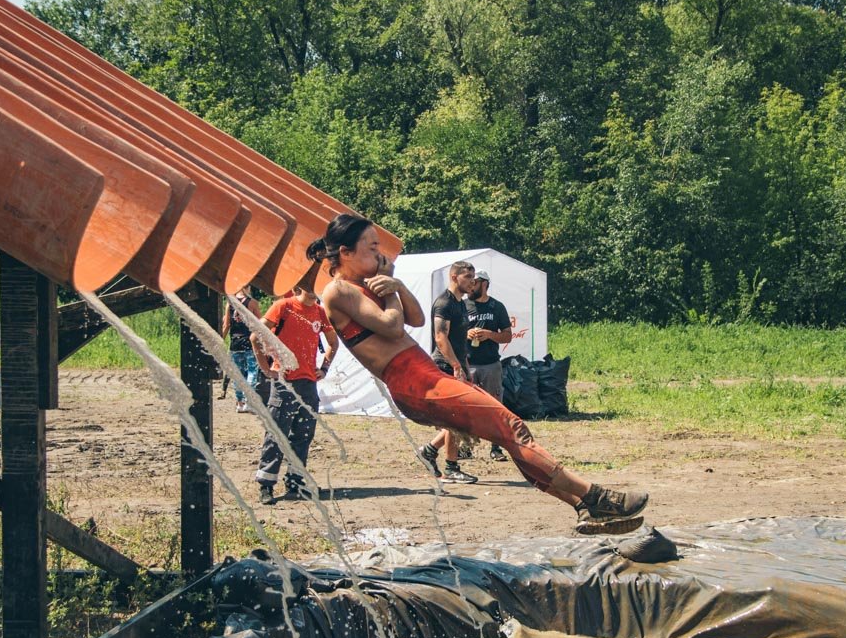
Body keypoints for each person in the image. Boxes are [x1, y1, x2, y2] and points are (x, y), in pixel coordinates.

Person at [306, 214, 649, 535]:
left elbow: (417, 320)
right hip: (415, 382)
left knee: (508, 435)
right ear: (346, 253)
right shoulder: (339, 291)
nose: (380, 254)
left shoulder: (368, 284)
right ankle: (598, 498)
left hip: (422, 378)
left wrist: (397, 285)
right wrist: (393, 290)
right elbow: (394, 327)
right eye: (372, 247)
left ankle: (583, 507)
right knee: (513, 429)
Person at [252, 287, 338, 505]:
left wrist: (324, 368)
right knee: (277, 433)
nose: (314, 291)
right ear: (300, 287)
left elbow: (333, 342)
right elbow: (256, 336)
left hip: (308, 383)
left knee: (303, 434)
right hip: (285, 383)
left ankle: (295, 481)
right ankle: (266, 484)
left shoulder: (319, 311)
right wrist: (266, 368)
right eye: (309, 287)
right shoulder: (284, 306)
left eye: (316, 287)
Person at [416, 260, 479, 483]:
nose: (473, 282)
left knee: (461, 419)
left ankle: (429, 451)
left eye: (473, 277)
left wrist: (463, 365)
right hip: (445, 365)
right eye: (468, 277)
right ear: (454, 277)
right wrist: (455, 366)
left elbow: (457, 338)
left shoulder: (461, 303)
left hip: (459, 364)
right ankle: (451, 469)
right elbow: (440, 337)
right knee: (455, 419)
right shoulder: (444, 303)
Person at [465, 269, 512, 463]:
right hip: (468, 364)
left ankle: (496, 447)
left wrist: (490, 334)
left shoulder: (497, 307)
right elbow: (450, 333)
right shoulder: (463, 306)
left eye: (473, 282)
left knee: (495, 406)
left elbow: (507, 335)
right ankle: (465, 448)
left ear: (484, 284)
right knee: (466, 408)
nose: (469, 285)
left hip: (491, 364)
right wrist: (466, 334)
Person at [220, 284, 261, 413]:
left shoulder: (230, 303)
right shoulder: (253, 303)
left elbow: (226, 325)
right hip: (249, 342)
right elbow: (260, 324)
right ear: (249, 287)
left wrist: (220, 339)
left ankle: (239, 402)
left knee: (238, 374)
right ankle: (249, 401)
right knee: (252, 372)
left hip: (235, 343)